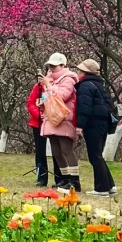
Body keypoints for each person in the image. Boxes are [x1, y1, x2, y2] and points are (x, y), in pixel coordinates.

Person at [74, 59, 115, 196]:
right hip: (103, 123)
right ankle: (110, 185)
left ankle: (101, 189)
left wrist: (80, 125)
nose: (77, 73)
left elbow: (84, 107)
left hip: (93, 124)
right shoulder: (99, 85)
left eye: (79, 70)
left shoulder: (85, 86)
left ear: (84, 72)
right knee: (98, 155)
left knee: (95, 156)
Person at [40, 53, 80, 191]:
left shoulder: (69, 79)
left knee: (66, 149)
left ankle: (75, 181)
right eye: (50, 66)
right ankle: (65, 179)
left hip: (63, 118)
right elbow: (47, 97)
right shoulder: (50, 80)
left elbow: (62, 96)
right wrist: (42, 102)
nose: (51, 69)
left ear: (62, 65)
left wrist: (48, 85)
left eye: (54, 66)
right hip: (51, 119)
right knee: (56, 151)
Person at [26, 73, 58, 187]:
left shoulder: (58, 86)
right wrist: (38, 115)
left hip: (54, 122)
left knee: (57, 151)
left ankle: (59, 179)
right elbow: (30, 102)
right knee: (40, 151)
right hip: (38, 123)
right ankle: (41, 178)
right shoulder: (38, 87)